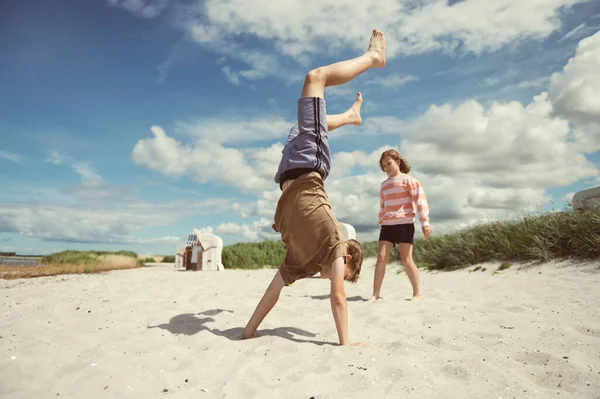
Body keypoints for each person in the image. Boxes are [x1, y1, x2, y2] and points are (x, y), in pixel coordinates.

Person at [242, 29, 387, 346]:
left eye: (343, 279)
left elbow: (273, 291)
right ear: (347, 260)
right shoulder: (338, 242)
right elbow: (337, 297)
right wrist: (345, 342)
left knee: (298, 126)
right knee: (315, 77)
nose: (339, 281)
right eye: (346, 276)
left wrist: (249, 331)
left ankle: (349, 116)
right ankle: (373, 58)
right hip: (310, 165)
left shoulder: (302, 261)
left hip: (289, 169)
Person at [369, 149, 432, 302]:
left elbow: (420, 201)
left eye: (389, 163)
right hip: (387, 226)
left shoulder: (409, 180)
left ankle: (417, 293)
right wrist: (381, 223)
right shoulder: (384, 185)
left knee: (406, 260)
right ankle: (375, 294)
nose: (386, 167)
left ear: (397, 162)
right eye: (383, 166)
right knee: (381, 257)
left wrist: (425, 222)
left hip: (405, 224)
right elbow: (383, 206)